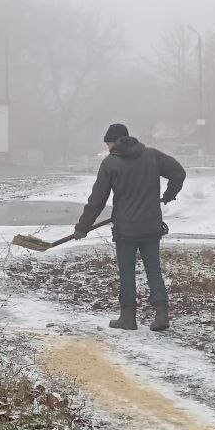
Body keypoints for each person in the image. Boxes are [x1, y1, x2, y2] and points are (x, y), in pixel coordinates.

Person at [74, 123, 186, 331]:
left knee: (127, 272)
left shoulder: (110, 163)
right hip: (152, 226)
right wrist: (169, 195)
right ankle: (162, 315)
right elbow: (178, 173)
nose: (107, 147)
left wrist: (82, 226)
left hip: (126, 229)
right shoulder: (152, 155)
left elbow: (96, 200)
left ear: (114, 142)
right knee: (153, 270)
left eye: (108, 143)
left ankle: (128, 318)